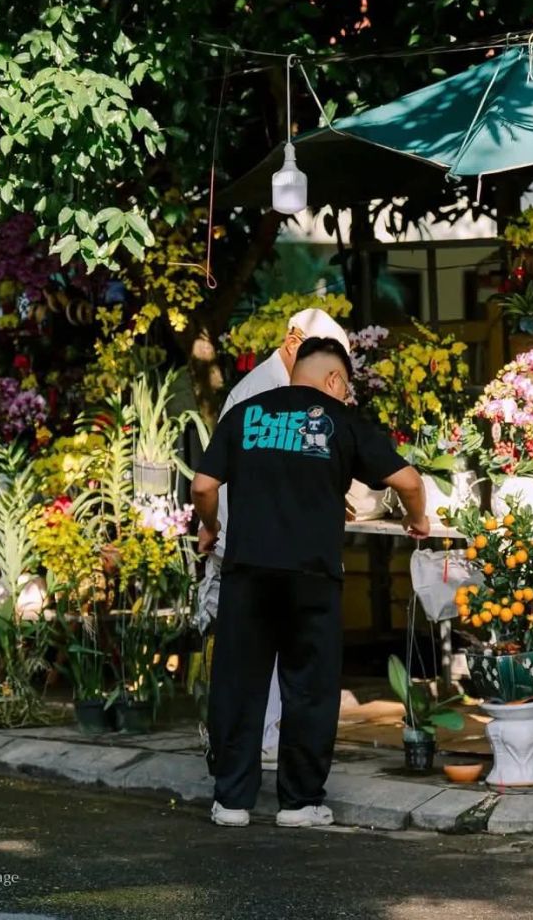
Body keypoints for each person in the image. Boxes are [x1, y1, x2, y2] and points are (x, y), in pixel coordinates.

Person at [192, 336, 429, 829]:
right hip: (312, 576)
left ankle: (232, 801)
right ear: (333, 380)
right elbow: (408, 480)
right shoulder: (339, 420)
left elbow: (203, 485)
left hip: (248, 572)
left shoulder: (246, 413)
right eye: (347, 388)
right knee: (309, 688)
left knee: (239, 684)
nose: (346, 398)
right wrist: (418, 520)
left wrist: (211, 527)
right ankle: (299, 804)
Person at [196, 308, 352, 769]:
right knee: (259, 665)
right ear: (292, 342)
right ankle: (256, 756)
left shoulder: (287, 390)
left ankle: (257, 759)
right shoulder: (262, 392)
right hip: (253, 544)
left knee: (266, 663)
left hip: (264, 543)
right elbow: (222, 481)